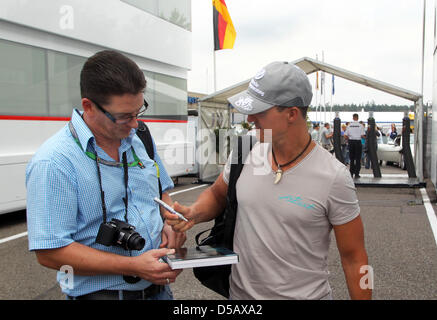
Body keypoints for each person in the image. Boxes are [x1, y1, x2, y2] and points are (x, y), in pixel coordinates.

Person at [165, 61, 371, 300]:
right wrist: (194, 212)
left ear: (292, 114)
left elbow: (356, 258)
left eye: (260, 110)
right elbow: (217, 194)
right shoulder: (245, 150)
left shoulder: (333, 176)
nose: (250, 117)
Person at [25, 50, 185, 300]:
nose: (134, 124)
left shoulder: (139, 136)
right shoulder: (54, 161)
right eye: (123, 117)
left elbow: (160, 192)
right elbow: (49, 252)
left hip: (159, 292)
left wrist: (170, 224)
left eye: (138, 111)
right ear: (88, 106)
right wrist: (132, 265)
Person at [345, 114, 365, 178]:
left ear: (353, 118)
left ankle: (351, 173)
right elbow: (362, 135)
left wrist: (349, 138)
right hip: (358, 142)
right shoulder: (361, 125)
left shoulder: (349, 125)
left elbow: (345, 135)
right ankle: (357, 174)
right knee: (358, 158)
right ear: (357, 118)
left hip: (351, 142)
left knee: (352, 158)